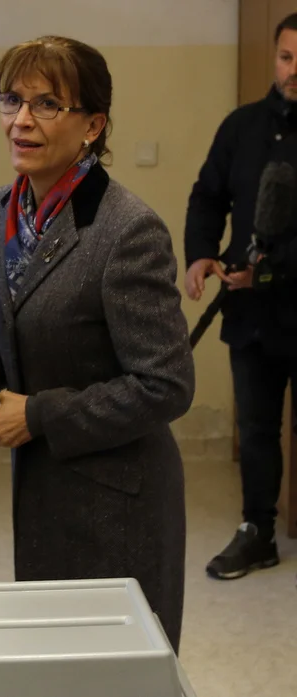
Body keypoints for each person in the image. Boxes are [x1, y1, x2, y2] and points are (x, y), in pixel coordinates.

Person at [0, 36, 195, 651]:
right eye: (10, 100)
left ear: (93, 125)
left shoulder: (127, 230)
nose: (21, 120)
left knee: (118, 677)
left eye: (47, 104)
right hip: (42, 490)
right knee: (52, 664)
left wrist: (38, 413)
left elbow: (167, 386)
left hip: (120, 501)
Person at [184, 12, 297, 582]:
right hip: (251, 316)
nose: (294, 70)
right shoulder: (242, 127)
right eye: (286, 57)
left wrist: (271, 274)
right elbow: (207, 196)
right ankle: (258, 531)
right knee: (255, 427)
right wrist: (202, 253)